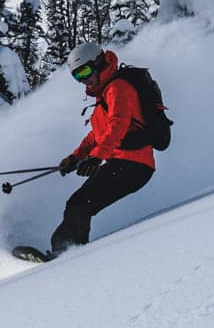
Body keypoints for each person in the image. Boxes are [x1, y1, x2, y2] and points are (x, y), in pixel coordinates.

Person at [46, 44, 155, 256]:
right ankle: (63, 252)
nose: (84, 79)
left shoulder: (118, 88)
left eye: (85, 71)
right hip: (124, 163)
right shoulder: (104, 94)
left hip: (134, 164)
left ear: (98, 63)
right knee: (77, 205)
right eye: (77, 77)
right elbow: (97, 135)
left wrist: (96, 157)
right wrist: (76, 156)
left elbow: (118, 125)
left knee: (79, 205)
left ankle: (68, 257)